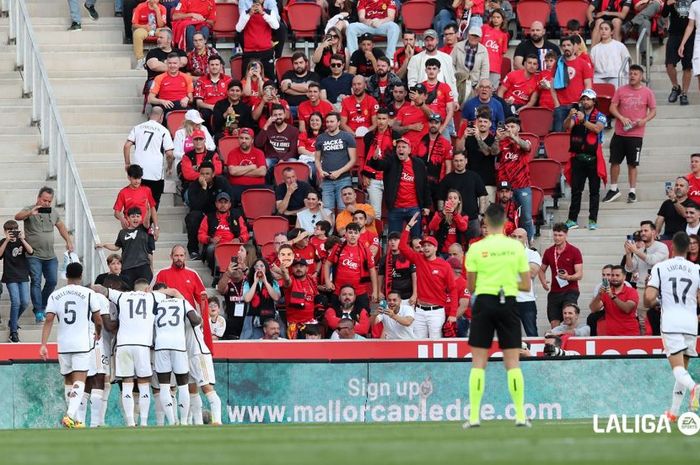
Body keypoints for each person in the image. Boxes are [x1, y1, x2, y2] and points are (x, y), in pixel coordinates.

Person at [463, 203, 531, 428]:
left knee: (478, 363)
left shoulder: (475, 248)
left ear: (485, 223)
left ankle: (474, 416)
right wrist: (506, 283)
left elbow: (471, 286)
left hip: (484, 302)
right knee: (512, 363)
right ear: (504, 222)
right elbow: (525, 284)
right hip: (508, 301)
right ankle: (520, 415)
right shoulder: (516, 249)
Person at [645, 231, 700, 420]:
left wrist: (654, 302)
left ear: (672, 247)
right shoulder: (696, 269)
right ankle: (674, 412)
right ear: (688, 249)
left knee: (677, 368)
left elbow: (649, 298)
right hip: (691, 323)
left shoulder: (661, 267)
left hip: (671, 322)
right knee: (682, 368)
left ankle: (695, 387)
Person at [40, 264, 102, 428]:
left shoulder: (55, 295)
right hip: (82, 342)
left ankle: (76, 420)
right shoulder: (89, 293)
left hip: (64, 344)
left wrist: (43, 344)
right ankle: (69, 415)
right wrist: (98, 332)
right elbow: (98, 318)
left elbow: (48, 319)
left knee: (68, 380)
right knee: (80, 380)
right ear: (81, 275)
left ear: (66, 275)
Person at [15, 187, 73, 323]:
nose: (47, 203)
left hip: (50, 255)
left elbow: (61, 226)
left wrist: (68, 241)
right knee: (36, 280)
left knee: (52, 281)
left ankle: (41, 305)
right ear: (38, 198)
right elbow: (17, 217)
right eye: (44, 200)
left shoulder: (53, 212)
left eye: (49, 201)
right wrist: (30, 213)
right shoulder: (29, 209)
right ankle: (39, 310)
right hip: (33, 255)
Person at [602, 65, 657, 204]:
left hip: (636, 135)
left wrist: (644, 120)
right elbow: (612, 107)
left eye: (636, 74)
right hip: (620, 133)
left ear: (641, 76)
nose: (632, 76)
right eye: (631, 73)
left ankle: (632, 192)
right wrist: (621, 117)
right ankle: (613, 189)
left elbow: (653, 110)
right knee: (614, 161)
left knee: (632, 164)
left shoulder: (647, 92)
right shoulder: (621, 90)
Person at [399, 213, 458, 338]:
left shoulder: (444, 265)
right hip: (419, 311)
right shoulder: (419, 259)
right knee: (419, 345)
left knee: (436, 346)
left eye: (429, 245)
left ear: (436, 248)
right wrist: (408, 227)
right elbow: (402, 247)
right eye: (424, 245)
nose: (425, 248)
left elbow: (453, 290)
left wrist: (453, 313)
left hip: (436, 312)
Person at [150, 283, 201, 426]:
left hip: (161, 345)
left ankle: (172, 421)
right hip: (178, 345)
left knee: (164, 386)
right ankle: (184, 422)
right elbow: (196, 320)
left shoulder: (154, 305)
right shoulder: (182, 302)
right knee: (183, 385)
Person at [563, 89, 608, 231]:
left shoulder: (600, 116)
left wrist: (583, 120)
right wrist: (569, 117)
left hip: (594, 158)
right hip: (578, 158)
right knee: (576, 191)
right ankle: (572, 219)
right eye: (583, 99)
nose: (585, 102)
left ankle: (593, 220)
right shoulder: (577, 115)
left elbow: (597, 129)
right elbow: (566, 127)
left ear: (594, 101)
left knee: (594, 192)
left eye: (588, 99)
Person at [367, 137, 431, 237]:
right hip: (395, 209)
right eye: (398, 147)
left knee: (416, 239)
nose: (400, 149)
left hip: (413, 208)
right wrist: (375, 159)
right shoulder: (391, 160)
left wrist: (427, 205)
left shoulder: (419, 164)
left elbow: (425, 186)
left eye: (403, 147)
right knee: (394, 240)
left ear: (409, 150)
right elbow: (380, 165)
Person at [124, 106, 174, 209]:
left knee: (138, 198)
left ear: (149, 115)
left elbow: (127, 146)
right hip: (155, 172)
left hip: (139, 171)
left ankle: (139, 221)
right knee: (154, 200)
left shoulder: (137, 127)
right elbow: (169, 154)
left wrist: (127, 163)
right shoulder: (163, 130)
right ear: (162, 117)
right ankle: (150, 223)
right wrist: (169, 167)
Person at [96, 207, 156, 289]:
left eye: (138, 216)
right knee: (128, 291)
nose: (135, 219)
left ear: (141, 218)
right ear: (128, 218)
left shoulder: (143, 229)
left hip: (143, 266)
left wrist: (148, 211)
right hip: (127, 268)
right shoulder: (122, 232)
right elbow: (116, 246)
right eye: (133, 216)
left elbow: (147, 222)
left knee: (145, 290)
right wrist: (104, 245)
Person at [495, 116, 534, 240]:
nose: (510, 129)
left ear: (518, 128)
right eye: (508, 127)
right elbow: (492, 152)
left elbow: (526, 147)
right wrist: (497, 138)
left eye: (513, 127)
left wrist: (513, 137)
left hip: (522, 185)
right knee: (503, 216)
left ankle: (528, 243)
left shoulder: (525, 140)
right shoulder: (502, 142)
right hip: (505, 187)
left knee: (526, 217)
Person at [325, 223, 379, 310]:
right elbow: (327, 264)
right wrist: (327, 281)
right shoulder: (338, 248)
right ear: (345, 234)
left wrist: (375, 291)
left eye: (355, 233)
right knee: (336, 319)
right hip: (339, 290)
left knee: (362, 318)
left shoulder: (366, 250)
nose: (353, 235)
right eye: (350, 232)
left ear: (359, 235)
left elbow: (372, 270)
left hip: (360, 291)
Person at [539, 222, 584, 328]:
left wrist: (568, 277)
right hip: (554, 291)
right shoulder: (549, 251)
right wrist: (543, 281)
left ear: (566, 235)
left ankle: (571, 340)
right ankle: (557, 343)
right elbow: (541, 269)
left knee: (568, 317)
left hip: (570, 290)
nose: (557, 238)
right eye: (555, 235)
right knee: (554, 323)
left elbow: (580, 274)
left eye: (560, 235)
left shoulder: (574, 251)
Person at [197, 192, 250, 276]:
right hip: (216, 245)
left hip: (232, 244)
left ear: (229, 204)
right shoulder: (209, 217)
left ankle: (240, 274)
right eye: (220, 202)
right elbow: (200, 235)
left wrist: (239, 239)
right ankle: (216, 273)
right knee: (210, 249)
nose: (223, 205)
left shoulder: (237, 216)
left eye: (225, 202)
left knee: (244, 250)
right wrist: (210, 239)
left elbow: (246, 234)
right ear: (216, 204)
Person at [314, 112, 357, 211]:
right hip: (326, 180)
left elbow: (353, 160)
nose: (329, 124)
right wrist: (320, 171)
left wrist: (339, 172)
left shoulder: (347, 137)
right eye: (327, 122)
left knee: (344, 209)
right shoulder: (320, 138)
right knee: (327, 210)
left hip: (343, 179)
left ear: (338, 123)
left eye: (332, 121)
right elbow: (317, 159)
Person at [0, 221, 33, 343]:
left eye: (14, 230)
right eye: (9, 230)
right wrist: (7, 240)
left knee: (24, 302)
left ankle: (12, 322)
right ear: (5, 231)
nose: (12, 232)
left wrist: (23, 240)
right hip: (10, 276)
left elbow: (30, 251)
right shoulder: (3, 242)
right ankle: (13, 331)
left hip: (23, 275)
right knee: (16, 301)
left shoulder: (21, 241)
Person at [553, 36, 593, 132]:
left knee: (579, 134)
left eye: (568, 45)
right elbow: (552, 86)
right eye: (564, 45)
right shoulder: (558, 64)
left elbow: (588, 85)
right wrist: (556, 104)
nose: (566, 47)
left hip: (578, 104)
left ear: (574, 46)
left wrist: (584, 103)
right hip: (561, 105)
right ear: (561, 48)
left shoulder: (583, 63)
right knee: (559, 135)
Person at [362, 108, 398, 215]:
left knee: (393, 210)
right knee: (375, 212)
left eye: (384, 118)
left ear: (388, 120)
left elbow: (397, 159)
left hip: (390, 177)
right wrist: (365, 174)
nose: (381, 121)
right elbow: (365, 157)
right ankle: (377, 232)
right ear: (375, 119)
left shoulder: (395, 136)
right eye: (379, 118)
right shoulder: (369, 136)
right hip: (373, 178)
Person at [217, 244, 257, 339]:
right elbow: (221, 289)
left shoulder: (248, 281)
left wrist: (245, 269)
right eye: (234, 267)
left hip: (248, 320)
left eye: (238, 267)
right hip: (231, 322)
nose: (236, 269)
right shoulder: (228, 281)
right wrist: (228, 273)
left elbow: (257, 284)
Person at [455, 109, 498, 197]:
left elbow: (487, 152)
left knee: (487, 210)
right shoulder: (469, 137)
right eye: (480, 121)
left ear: (490, 124)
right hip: (470, 181)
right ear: (476, 123)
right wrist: (464, 136)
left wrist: (478, 137)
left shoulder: (493, 139)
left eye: (485, 122)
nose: (482, 124)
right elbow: (459, 150)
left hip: (487, 182)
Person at [407, 29, 458, 100]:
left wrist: (455, 99)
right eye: (427, 40)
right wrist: (418, 97)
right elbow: (412, 82)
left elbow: (452, 81)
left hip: (444, 97)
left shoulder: (447, 58)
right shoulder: (415, 59)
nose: (429, 43)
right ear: (424, 42)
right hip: (423, 97)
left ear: (437, 40)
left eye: (432, 40)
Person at [589, 265, 640, 335]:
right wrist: (599, 295)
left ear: (624, 277)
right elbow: (593, 309)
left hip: (630, 333)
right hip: (611, 334)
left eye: (617, 275)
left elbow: (627, 309)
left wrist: (612, 296)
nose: (614, 278)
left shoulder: (631, 291)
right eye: (612, 275)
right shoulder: (606, 292)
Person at [235, 0, 280, 79]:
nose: (256, 6)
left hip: (266, 51)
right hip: (250, 52)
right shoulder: (245, 13)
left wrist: (263, 13)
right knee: (246, 78)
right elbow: (238, 28)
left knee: (270, 79)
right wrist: (249, 14)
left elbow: (276, 26)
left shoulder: (269, 12)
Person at [511, 227, 541, 337]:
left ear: (526, 239)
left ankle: (534, 354)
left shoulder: (533, 254)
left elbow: (531, 273)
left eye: (520, 237)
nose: (516, 239)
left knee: (531, 333)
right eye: (514, 236)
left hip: (526, 300)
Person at [241, 259, 282, 340]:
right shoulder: (247, 283)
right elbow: (247, 299)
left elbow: (276, 297)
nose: (259, 268)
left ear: (266, 268)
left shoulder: (273, 282)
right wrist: (255, 282)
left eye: (261, 266)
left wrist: (265, 281)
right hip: (253, 318)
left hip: (270, 317)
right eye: (256, 266)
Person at [280, 258, 319, 339]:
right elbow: (287, 281)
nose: (298, 269)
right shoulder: (291, 280)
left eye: (301, 266)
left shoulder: (311, 280)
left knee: (313, 350)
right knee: (294, 350)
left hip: (310, 323)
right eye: (295, 267)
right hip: (294, 325)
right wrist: (285, 274)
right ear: (292, 269)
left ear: (307, 268)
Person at [664, 0, 694, 105]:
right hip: (674, 34)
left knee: (687, 66)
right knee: (669, 64)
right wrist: (667, 4)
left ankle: (684, 93)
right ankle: (676, 87)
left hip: (691, 35)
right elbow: (664, 14)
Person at [451, 26, 490, 105]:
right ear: (468, 35)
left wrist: (479, 87)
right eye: (472, 35)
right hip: (459, 83)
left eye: (477, 36)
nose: (474, 38)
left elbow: (485, 71)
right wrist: (455, 78)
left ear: (480, 38)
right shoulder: (458, 46)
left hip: (474, 85)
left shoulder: (483, 50)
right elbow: (451, 64)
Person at [226, 128, 268, 201]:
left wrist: (240, 172)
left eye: (246, 138)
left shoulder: (259, 153)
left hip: (257, 187)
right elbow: (232, 171)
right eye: (241, 138)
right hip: (237, 187)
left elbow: (262, 172)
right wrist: (252, 167)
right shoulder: (232, 153)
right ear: (238, 139)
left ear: (252, 140)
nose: (244, 141)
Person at [254, 104, 299, 170]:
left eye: (280, 114)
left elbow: (293, 151)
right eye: (275, 115)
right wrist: (266, 125)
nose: (278, 117)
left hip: (287, 158)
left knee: (293, 162)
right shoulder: (268, 128)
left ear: (284, 115)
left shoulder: (293, 130)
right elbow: (258, 144)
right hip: (271, 158)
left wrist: (283, 160)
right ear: (271, 116)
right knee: (265, 163)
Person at [380, 231, 417, 309]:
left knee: (407, 320)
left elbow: (414, 276)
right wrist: (379, 291)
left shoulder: (409, 257)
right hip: (390, 298)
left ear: (401, 241)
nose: (392, 242)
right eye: (390, 240)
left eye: (395, 240)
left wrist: (415, 294)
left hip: (407, 297)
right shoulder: (384, 259)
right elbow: (380, 275)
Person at [393, 83, 433, 153]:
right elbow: (395, 128)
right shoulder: (404, 109)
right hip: (406, 149)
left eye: (420, 93)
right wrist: (410, 127)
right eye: (415, 93)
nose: (417, 96)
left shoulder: (430, 108)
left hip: (423, 148)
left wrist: (420, 103)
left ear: (426, 96)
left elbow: (432, 117)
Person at [589, 21, 630, 87]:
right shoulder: (595, 49)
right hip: (598, 76)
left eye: (606, 29)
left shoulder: (620, 46)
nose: (603, 31)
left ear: (612, 32)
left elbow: (626, 63)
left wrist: (626, 78)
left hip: (616, 75)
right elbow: (591, 65)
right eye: (601, 29)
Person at [193, 55, 231, 126]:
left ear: (220, 66)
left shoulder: (228, 80)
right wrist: (212, 107)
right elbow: (199, 103)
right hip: (208, 109)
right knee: (205, 114)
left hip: (225, 107)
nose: (214, 67)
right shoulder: (201, 81)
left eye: (217, 65)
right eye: (212, 65)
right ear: (208, 66)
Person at [131, 0, 168, 69]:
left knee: (165, 33)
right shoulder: (140, 6)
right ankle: (140, 60)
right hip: (144, 28)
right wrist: (144, 27)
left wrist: (157, 10)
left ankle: (164, 57)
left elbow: (161, 25)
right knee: (137, 34)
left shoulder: (162, 8)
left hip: (157, 28)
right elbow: (134, 25)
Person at [481, 8, 510, 89]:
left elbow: (503, 52)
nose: (495, 19)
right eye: (493, 17)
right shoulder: (485, 28)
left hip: (495, 68)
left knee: (492, 91)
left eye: (498, 17)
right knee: (480, 89)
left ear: (502, 19)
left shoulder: (504, 35)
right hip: (482, 65)